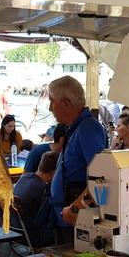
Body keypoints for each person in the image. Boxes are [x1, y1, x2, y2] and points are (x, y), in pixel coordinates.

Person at [39, 75, 106, 239]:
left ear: (65, 103)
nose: (50, 108)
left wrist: (76, 209)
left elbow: (102, 181)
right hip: (66, 216)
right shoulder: (75, 129)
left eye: (52, 102)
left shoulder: (88, 129)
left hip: (77, 219)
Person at [12, 151, 59, 247]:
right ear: (54, 172)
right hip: (32, 237)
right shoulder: (42, 188)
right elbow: (49, 216)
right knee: (66, 229)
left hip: (14, 230)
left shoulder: (24, 177)